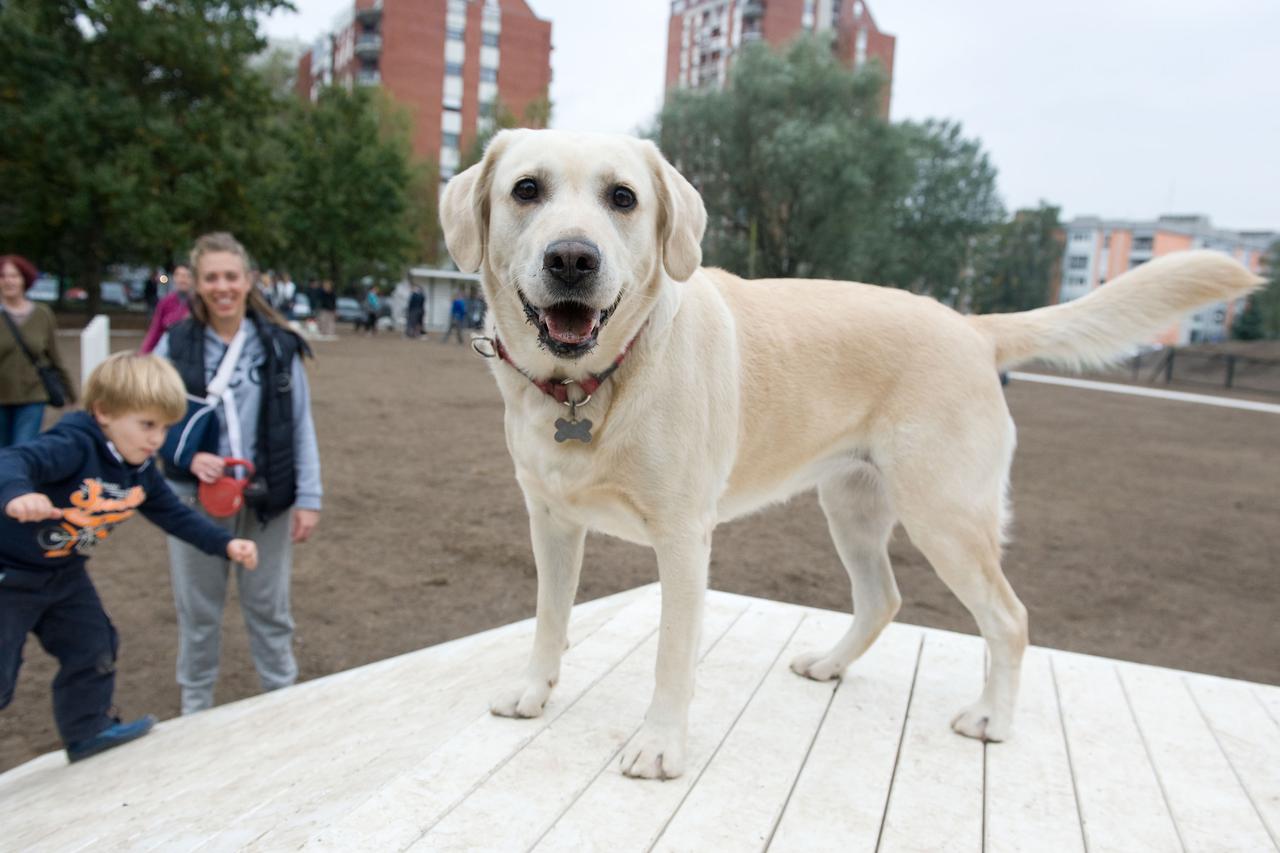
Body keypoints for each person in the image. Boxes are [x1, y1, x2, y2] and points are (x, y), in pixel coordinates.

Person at [0, 352, 258, 762]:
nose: (157, 439)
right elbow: (12, 459)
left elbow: (173, 514)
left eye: (164, 427)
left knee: (94, 645)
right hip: (9, 575)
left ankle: (88, 731)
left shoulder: (138, 470)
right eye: (147, 425)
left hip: (64, 574)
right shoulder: (73, 444)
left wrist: (224, 544)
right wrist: (17, 494)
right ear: (104, 412)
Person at [153, 232, 321, 715]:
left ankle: (281, 699)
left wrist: (309, 497)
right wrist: (185, 456)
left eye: (231, 276)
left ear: (248, 280)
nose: (222, 286)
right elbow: (148, 418)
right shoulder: (175, 343)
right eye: (211, 277)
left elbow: (300, 424)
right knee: (198, 612)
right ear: (196, 285)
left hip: (268, 499)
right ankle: (195, 709)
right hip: (192, 501)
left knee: (269, 607)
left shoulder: (279, 344)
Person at [0, 255, 76, 447]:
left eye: (14, 276)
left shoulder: (42, 315)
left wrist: (71, 393)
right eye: (3, 276)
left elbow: (55, 357)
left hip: (33, 395)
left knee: (22, 449)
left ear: (25, 279)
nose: (8, 281)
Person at [139, 264, 193, 354]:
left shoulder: (199, 302)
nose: (182, 279)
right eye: (178, 275)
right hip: (169, 345)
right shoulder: (166, 302)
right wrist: (144, 352)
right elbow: (156, 329)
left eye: (187, 276)